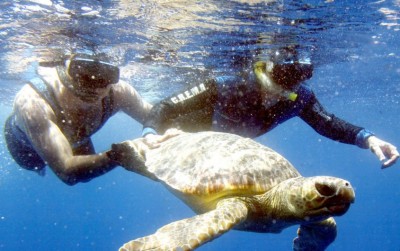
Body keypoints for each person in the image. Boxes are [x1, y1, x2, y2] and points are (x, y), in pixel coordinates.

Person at [142, 46, 399, 168]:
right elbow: (167, 105)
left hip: (223, 155)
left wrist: (369, 139)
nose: (281, 93)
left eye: (295, 83)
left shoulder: (300, 99)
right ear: (264, 71)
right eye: (279, 80)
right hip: (176, 141)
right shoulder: (228, 84)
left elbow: (327, 123)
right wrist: (149, 134)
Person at [4, 53, 152, 185]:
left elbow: (157, 117)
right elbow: (67, 172)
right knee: (36, 165)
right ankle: (41, 167)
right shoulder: (33, 102)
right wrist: (121, 154)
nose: (94, 87)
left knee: (87, 175)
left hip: (77, 138)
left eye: (106, 76)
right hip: (25, 147)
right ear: (66, 68)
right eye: (84, 74)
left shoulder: (120, 92)